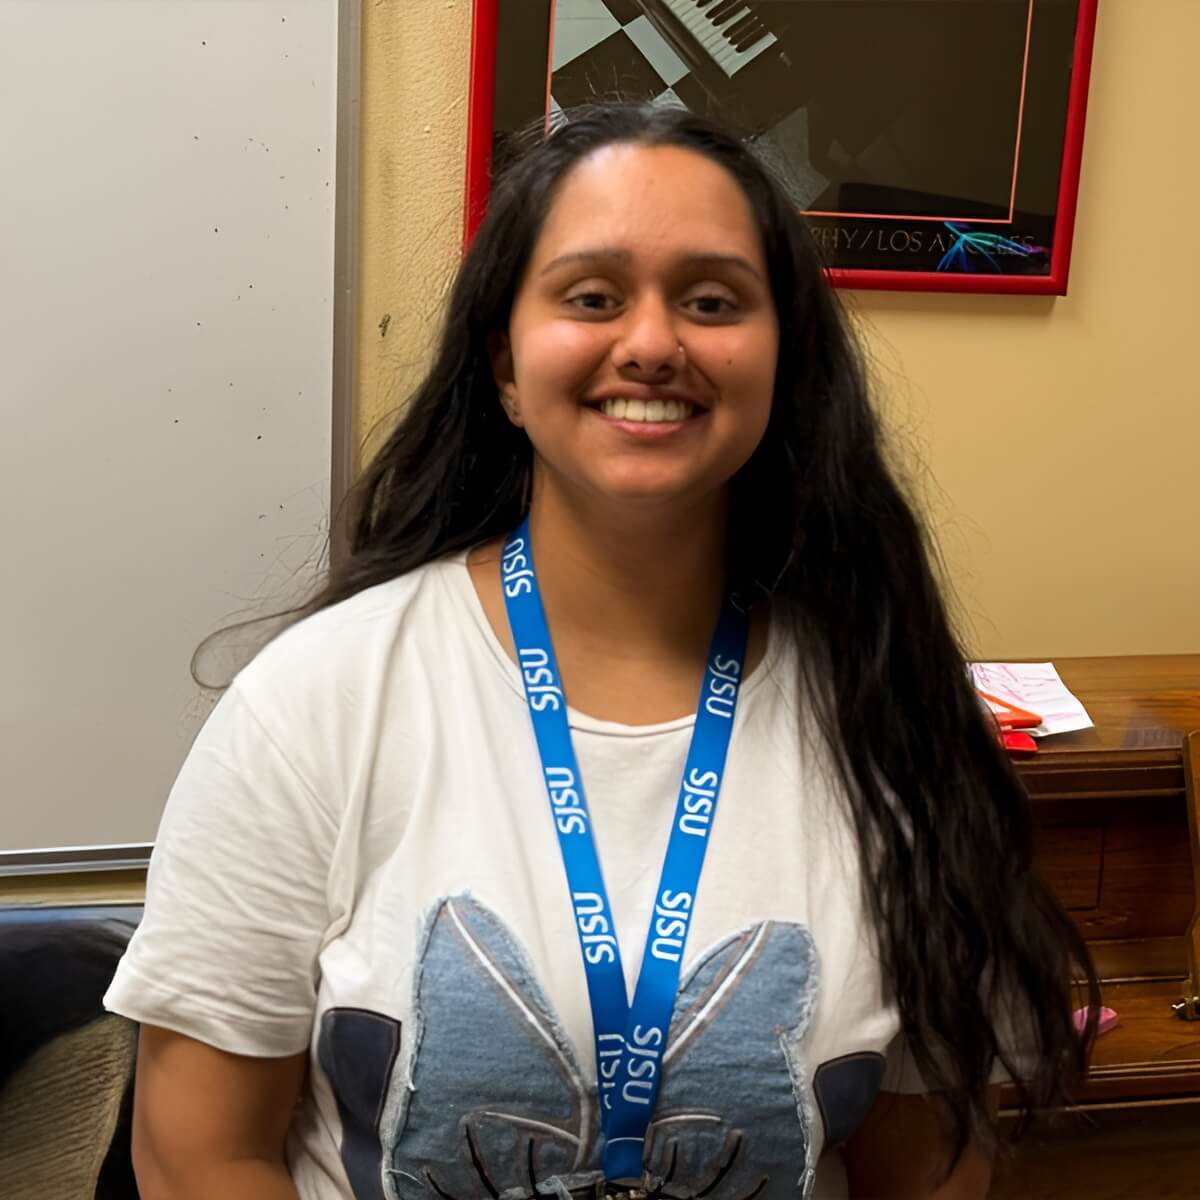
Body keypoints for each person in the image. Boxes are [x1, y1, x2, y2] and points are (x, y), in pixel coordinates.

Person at [104, 101, 1098, 1200]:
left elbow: (927, 1168)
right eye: (591, 297)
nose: (653, 343)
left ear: (782, 362)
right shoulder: (316, 704)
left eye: (712, 301)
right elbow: (200, 1157)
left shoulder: (893, 719)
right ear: (505, 365)